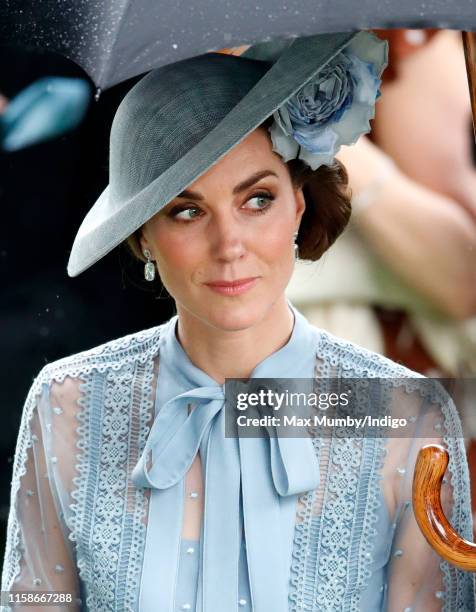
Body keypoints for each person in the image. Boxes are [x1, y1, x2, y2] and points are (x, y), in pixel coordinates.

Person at [1, 31, 474, 612]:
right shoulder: (65, 405)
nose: (230, 245)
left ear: (299, 205)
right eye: (188, 210)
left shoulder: (405, 411)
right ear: (143, 235)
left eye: (257, 200)